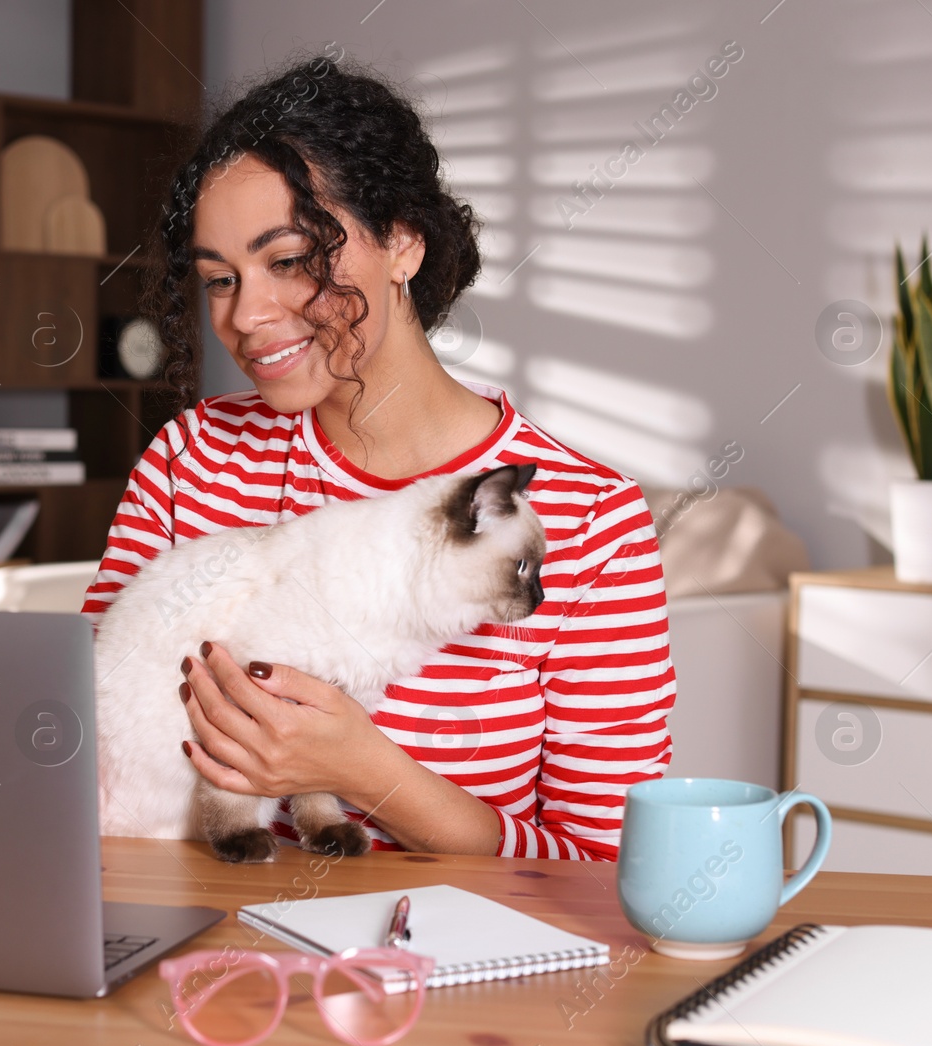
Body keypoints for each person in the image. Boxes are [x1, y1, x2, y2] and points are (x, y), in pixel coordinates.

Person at [80, 54, 673, 860]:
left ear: (402, 242)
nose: (247, 315)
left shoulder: (593, 522)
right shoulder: (193, 460)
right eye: (220, 279)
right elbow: (83, 743)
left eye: (288, 260)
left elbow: (606, 868)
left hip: (449, 969)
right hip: (194, 953)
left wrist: (368, 773)